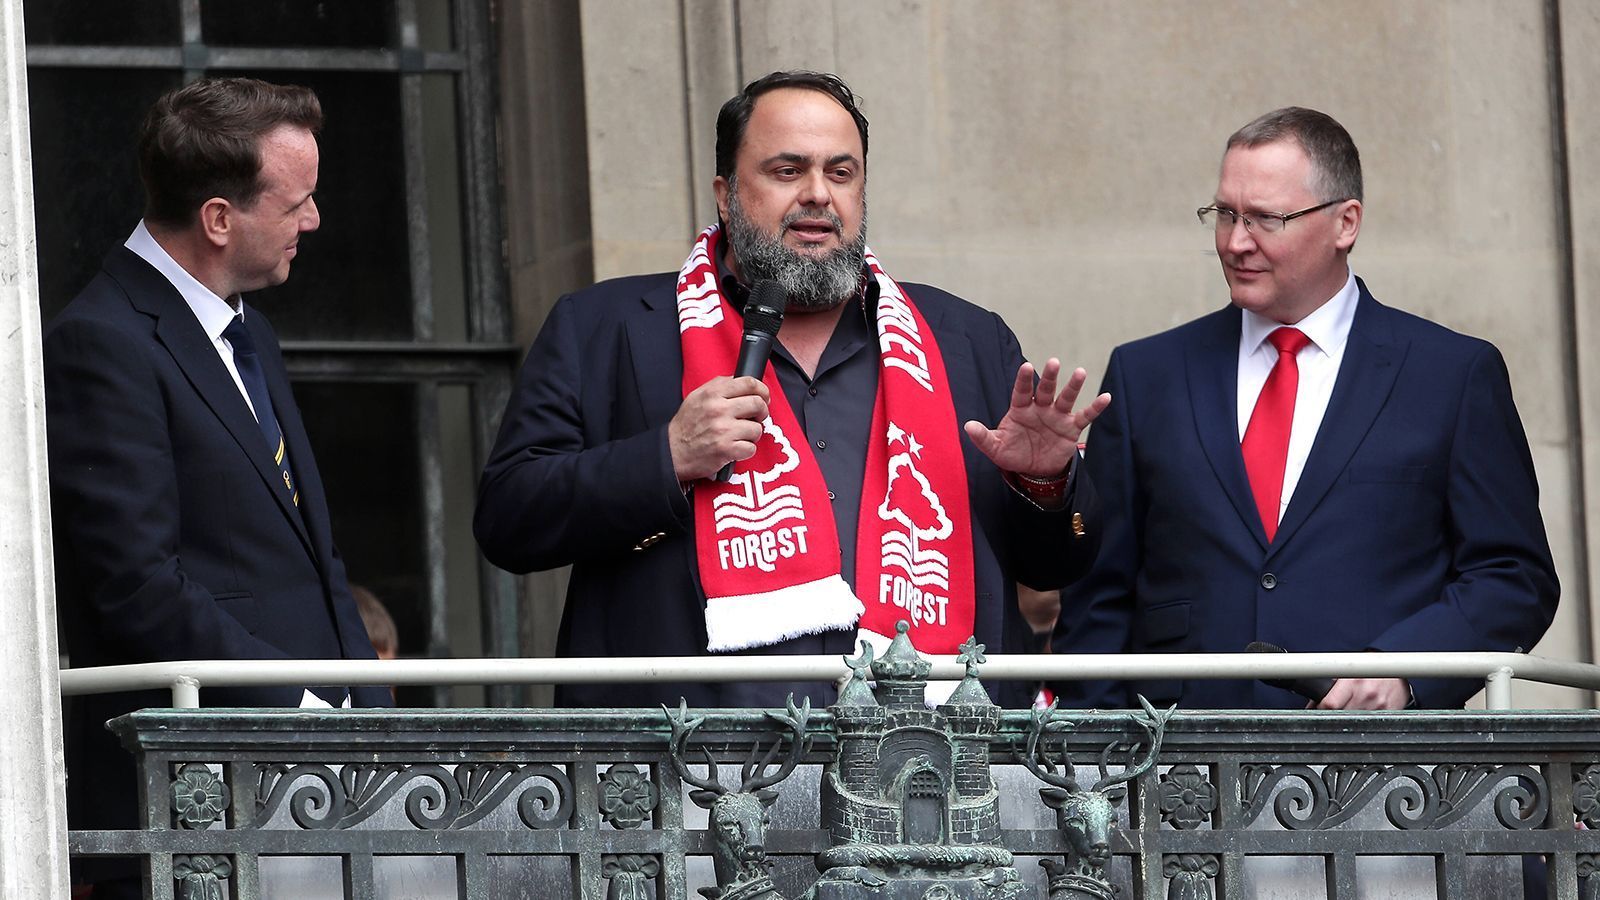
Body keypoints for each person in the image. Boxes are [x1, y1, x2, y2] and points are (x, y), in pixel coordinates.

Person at [475, 70, 1106, 710]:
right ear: (725, 194)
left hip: (926, 771)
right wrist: (664, 458)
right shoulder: (605, 328)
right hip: (680, 776)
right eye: (786, 170)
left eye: (841, 173)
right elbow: (508, 519)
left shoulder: (968, 342)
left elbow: (1059, 567)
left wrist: (1045, 488)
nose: (818, 196)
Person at [1055, 107, 1558, 711]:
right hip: (1178, 771)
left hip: (1385, 777)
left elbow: (1513, 576)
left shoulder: (1450, 375)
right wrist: (1108, 757)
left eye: (1266, 218)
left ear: (1345, 223)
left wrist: (1405, 669)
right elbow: (1098, 593)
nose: (1236, 242)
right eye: (1225, 214)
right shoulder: (1148, 374)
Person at [45, 77, 392, 898]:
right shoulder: (101, 342)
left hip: (318, 793)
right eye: (297, 201)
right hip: (199, 803)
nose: (313, 220)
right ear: (218, 218)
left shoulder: (250, 328)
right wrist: (300, 704)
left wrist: (375, 717)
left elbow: (316, 555)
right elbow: (138, 587)